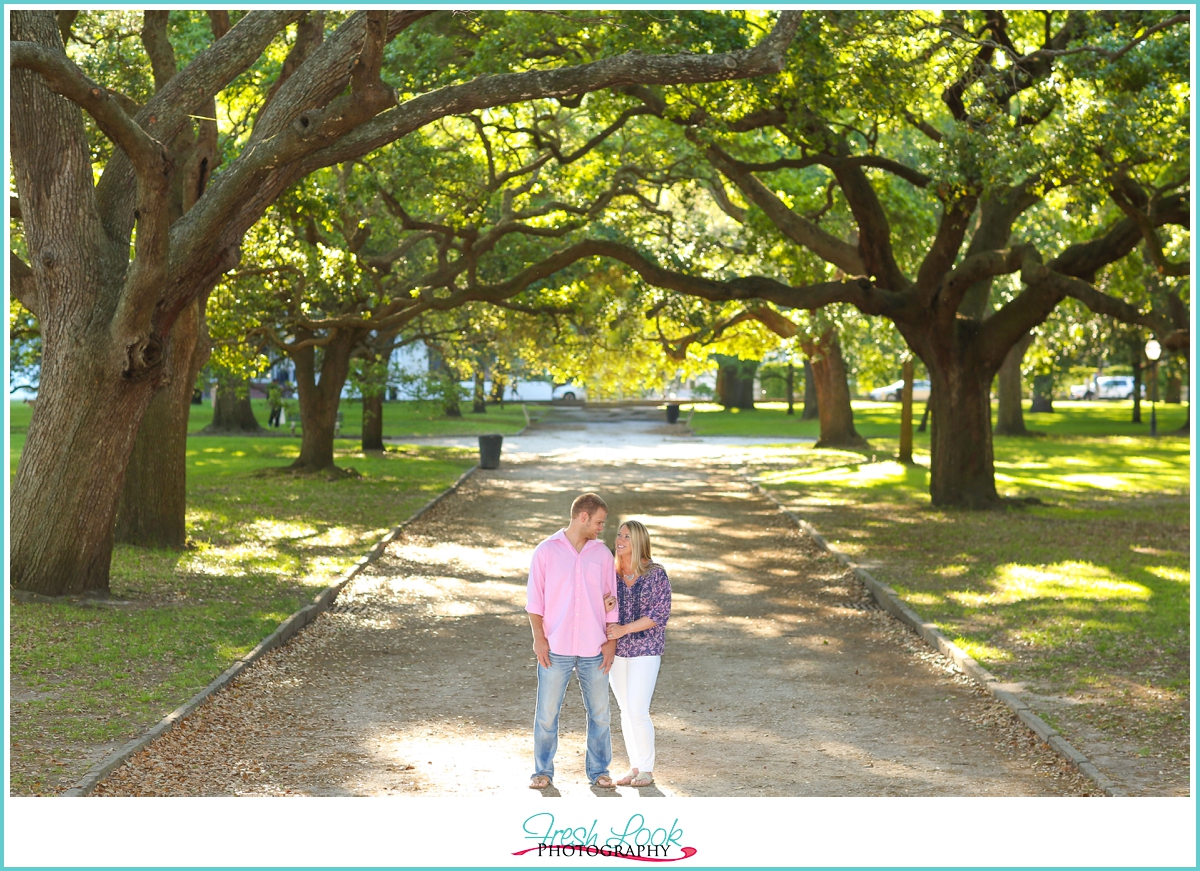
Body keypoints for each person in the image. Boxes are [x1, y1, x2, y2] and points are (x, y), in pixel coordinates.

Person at [525, 493, 620, 789]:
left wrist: (611, 641)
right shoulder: (546, 551)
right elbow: (534, 601)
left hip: (594, 647)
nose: (601, 528)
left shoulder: (602, 554)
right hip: (556, 647)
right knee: (546, 714)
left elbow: (611, 600)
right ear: (583, 517)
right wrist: (539, 639)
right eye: (599, 522)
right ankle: (542, 771)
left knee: (601, 714)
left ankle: (600, 771)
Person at [606, 520, 671, 788]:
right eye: (619, 534)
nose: (620, 540)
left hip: (646, 649)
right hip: (618, 652)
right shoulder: (611, 574)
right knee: (624, 711)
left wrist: (624, 629)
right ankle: (635, 767)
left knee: (638, 710)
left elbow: (659, 614)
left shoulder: (656, 574)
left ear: (639, 542)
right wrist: (605, 606)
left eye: (627, 537)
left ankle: (647, 770)